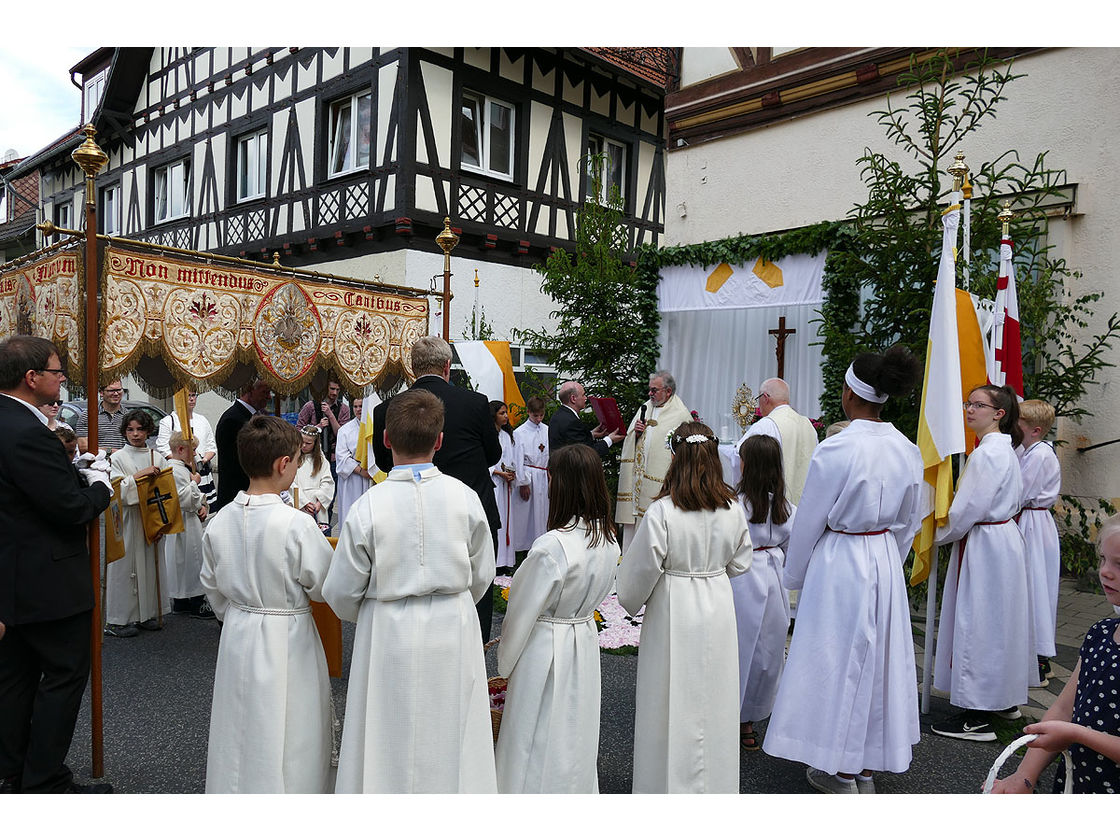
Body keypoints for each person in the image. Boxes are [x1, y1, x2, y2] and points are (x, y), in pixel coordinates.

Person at [763, 346, 924, 794]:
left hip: (841, 560)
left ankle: (839, 765)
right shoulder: (906, 450)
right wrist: (888, 556)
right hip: (883, 558)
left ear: (849, 396)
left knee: (833, 657)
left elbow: (811, 518)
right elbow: (910, 521)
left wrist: (793, 576)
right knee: (877, 663)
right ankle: (865, 762)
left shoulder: (837, 448)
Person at [324, 389, 497, 793]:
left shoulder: (368, 505)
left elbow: (343, 589)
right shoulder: (466, 498)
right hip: (452, 625)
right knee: (451, 729)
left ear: (384, 439)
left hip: (388, 630)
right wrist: (451, 600)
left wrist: (372, 608)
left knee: (386, 733)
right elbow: (482, 572)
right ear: (440, 440)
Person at [0, 335, 112, 794]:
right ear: (32, 378)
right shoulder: (29, 432)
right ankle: (44, 779)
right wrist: (99, 483)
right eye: (56, 371)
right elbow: (67, 508)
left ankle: (13, 768)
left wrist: (73, 467)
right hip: (47, 579)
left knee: (16, 679)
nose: (62, 378)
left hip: (12, 573)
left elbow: (30, 490)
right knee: (62, 677)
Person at [200, 415, 334, 793]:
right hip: (287, 632)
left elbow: (211, 585)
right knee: (292, 728)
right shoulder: (296, 525)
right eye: (295, 461)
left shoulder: (220, 520)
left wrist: (240, 613)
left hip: (239, 631)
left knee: (240, 726)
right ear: (283, 464)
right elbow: (326, 585)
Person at [617, 421, 752, 794]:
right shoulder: (732, 509)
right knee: (715, 699)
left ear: (675, 458)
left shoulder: (663, 512)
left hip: (673, 606)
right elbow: (741, 563)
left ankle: (665, 787)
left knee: (668, 697)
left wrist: (629, 597)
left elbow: (638, 574)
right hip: (716, 602)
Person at [495, 444, 620, 793]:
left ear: (558, 484)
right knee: (573, 732)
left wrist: (505, 662)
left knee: (533, 735)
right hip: (583, 640)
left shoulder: (553, 546)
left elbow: (522, 609)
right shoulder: (608, 539)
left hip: (546, 647)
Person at [371, 335, 501, 642]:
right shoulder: (475, 403)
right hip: (469, 513)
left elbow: (382, 462)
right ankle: (475, 653)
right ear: (447, 366)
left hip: (408, 514)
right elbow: (493, 455)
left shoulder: (387, 409)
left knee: (411, 588)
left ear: (413, 368)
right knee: (475, 592)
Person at [931, 384, 1033, 741]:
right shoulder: (1000, 451)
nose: (969, 410)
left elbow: (966, 509)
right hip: (1000, 541)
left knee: (980, 623)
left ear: (999, 413)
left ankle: (976, 716)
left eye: (978, 405)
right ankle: (1002, 698)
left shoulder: (989, 455)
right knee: (999, 623)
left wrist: (935, 534)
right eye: (968, 403)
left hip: (988, 544)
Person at [991, 513, 1120, 793]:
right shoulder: (1100, 634)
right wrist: (1025, 775)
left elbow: (1069, 728)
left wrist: (1077, 734)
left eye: (1119, 564)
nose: (1105, 571)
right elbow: (1063, 708)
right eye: (1102, 559)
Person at [732, 434, 796, 753]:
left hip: (744, 578)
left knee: (756, 652)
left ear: (748, 465)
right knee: (761, 653)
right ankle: (744, 718)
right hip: (771, 576)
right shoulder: (785, 506)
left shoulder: (735, 505)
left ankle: (743, 716)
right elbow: (791, 543)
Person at [106, 409, 169, 638]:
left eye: (140, 429)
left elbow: (166, 492)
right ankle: (119, 618)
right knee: (126, 568)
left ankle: (147, 614)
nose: (135, 434)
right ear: (124, 431)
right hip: (129, 520)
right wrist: (140, 476)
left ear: (148, 431)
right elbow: (117, 490)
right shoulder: (118, 458)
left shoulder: (157, 457)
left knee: (150, 567)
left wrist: (162, 523)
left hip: (150, 519)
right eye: (130, 429)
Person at [616, 370, 693, 551]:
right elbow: (630, 438)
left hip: (658, 485)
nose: (650, 394)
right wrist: (636, 433)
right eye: (649, 390)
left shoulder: (680, 413)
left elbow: (685, 449)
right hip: (637, 482)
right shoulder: (646, 407)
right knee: (633, 528)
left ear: (668, 391)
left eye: (654, 390)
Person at [1017, 398, 1062, 687]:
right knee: (1034, 587)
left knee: (1034, 588)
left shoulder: (1039, 455)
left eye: (1018, 425)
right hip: (1034, 522)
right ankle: (1034, 653)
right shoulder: (1032, 450)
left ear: (1034, 430)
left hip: (1033, 524)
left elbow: (1020, 490)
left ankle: (1039, 658)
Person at [734, 377, 817, 505]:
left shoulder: (766, 425)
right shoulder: (807, 424)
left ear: (765, 398)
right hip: (804, 506)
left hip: (776, 509)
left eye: (758, 399)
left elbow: (740, 457)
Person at [163, 432, 213, 620]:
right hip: (183, 519)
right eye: (193, 450)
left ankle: (183, 600)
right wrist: (195, 483)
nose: (195, 454)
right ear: (181, 449)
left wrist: (201, 503)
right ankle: (195, 602)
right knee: (191, 559)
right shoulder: (174, 470)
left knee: (184, 560)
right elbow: (183, 498)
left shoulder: (181, 468)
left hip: (187, 519)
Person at [213, 378, 272, 512]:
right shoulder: (233, 420)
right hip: (237, 498)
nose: (269, 397)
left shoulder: (251, 416)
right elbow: (241, 464)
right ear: (249, 391)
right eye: (265, 392)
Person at [155, 391, 217, 510]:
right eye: (188, 396)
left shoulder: (202, 420)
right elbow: (163, 447)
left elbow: (211, 446)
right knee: (187, 506)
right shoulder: (168, 421)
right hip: (181, 471)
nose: (191, 399)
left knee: (206, 508)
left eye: (193, 395)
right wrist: (185, 462)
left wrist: (203, 460)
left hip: (201, 471)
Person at [548, 380, 625, 458]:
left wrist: (592, 434)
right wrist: (609, 440)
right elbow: (585, 454)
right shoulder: (571, 421)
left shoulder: (559, 415)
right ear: (573, 399)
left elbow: (573, 439)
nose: (585, 398)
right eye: (583, 395)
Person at [511, 395, 549, 551]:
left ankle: (543, 546)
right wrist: (523, 482)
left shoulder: (547, 429)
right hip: (529, 475)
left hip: (543, 476)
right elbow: (517, 459)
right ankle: (525, 547)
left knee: (543, 513)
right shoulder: (520, 432)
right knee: (527, 515)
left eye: (541, 415)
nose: (538, 419)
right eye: (535, 416)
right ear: (528, 412)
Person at [334, 396, 371, 531]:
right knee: (352, 512)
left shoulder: (373, 426)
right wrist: (361, 471)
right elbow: (342, 457)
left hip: (372, 476)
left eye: (361, 406)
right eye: (355, 407)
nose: (358, 410)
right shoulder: (345, 430)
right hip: (353, 478)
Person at [290, 425, 335, 535]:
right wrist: (304, 502)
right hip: (300, 503)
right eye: (302, 442)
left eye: (308, 443)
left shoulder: (321, 461)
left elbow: (328, 482)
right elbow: (290, 482)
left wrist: (320, 502)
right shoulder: (293, 459)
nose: (304, 446)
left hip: (317, 506)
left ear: (315, 444)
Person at [490, 400, 518, 573]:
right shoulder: (488, 435)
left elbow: (511, 458)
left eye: (506, 413)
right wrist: (499, 473)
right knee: (497, 518)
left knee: (507, 520)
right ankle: (495, 560)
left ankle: (506, 560)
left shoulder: (507, 436)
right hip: (494, 484)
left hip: (506, 484)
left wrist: (512, 473)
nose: (506, 416)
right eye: (502, 413)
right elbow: (486, 462)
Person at [73, 379, 128, 455]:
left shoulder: (129, 416)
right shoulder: (87, 416)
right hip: (97, 464)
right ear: (101, 393)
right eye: (111, 390)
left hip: (122, 464)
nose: (116, 393)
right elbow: (83, 447)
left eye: (119, 390)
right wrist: (109, 451)